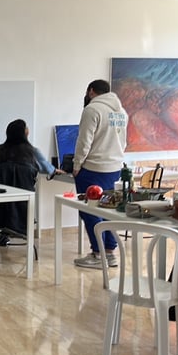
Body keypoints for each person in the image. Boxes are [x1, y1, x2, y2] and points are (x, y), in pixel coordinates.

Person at [72, 79, 128, 269]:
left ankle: (98, 254)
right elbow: (123, 142)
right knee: (108, 210)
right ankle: (109, 253)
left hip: (93, 168)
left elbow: (84, 141)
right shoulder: (122, 112)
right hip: (114, 168)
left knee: (90, 210)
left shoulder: (92, 109)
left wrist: (77, 164)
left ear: (91, 91)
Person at [0, 119, 64, 240]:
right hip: (25, 195)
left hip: (1, 198)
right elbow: (47, 169)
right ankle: (24, 231)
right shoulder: (32, 151)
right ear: (25, 133)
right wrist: (54, 170)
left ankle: (5, 231)